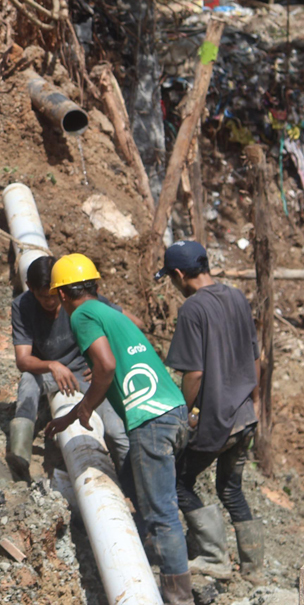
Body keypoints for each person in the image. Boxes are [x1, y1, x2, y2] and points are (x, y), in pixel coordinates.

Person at [46, 254, 192, 605]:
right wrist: (73, 413)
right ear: (95, 285)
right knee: (154, 498)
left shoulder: (81, 315)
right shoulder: (110, 312)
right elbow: (116, 361)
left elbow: (107, 365)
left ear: (62, 294)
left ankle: (179, 598)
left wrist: (84, 408)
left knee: (161, 514)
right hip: (174, 411)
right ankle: (154, 565)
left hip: (150, 421)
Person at [160, 240, 264, 580]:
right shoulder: (236, 296)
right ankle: (254, 570)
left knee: (178, 482)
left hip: (218, 420)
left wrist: (183, 412)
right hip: (245, 417)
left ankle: (214, 556)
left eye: (171, 278)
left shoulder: (193, 309)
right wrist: (255, 400)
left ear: (179, 274)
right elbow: (255, 357)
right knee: (231, 489)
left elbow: (194, 373)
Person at [7, 254, 132, 482]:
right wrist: (52, 365)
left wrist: (105, 361)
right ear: (30, 288)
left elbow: (128, 325)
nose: (50, 302)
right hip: (49, 373)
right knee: (28, 380)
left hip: (86, 373)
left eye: (54, 296)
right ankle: (19, 456)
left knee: (116, 431)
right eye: (43, 297)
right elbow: (23, 360)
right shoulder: (23, 306)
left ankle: (132, 484)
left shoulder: (77, 299)